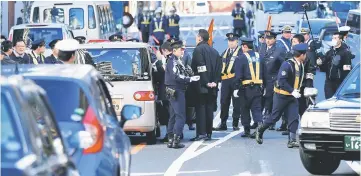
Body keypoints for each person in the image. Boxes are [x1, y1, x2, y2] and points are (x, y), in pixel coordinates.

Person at [253, 43, 308, 148]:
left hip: (292, 97)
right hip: (281, 96)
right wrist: (292, 91)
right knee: (274, 117)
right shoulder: (287, 65)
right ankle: (260, 129)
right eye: (305, 54)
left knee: (294, 117)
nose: (306, 56)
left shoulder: (300, 64)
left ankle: (291, 140)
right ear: (301, 55)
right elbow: (281, 81)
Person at [165, 40, 200, 148]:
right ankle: (176, 139)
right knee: (180, 116)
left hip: (173, 90)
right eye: (181, 49)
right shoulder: (173, 61)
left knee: (173, 116)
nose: (183, 51)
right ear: (174, 50)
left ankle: (171, 139)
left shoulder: (176, 60)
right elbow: (176, 76)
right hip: (177, 90)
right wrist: (190, 79)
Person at [190, 29, 222, 141]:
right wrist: (215, 82)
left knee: (200, 110)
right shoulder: (215, 51)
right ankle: (209, 133)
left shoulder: (198, 50)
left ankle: (201, 133)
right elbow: (219, 69)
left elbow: (200, 66)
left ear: (200, 38)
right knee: (209, 110)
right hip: (213, 86)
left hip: (201, 86)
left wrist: (206, 82)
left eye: (196, 36)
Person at [234, 37, 266, 137]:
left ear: (245, 46)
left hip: (245, 89)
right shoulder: (260, 57)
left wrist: (236, 88)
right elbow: (265, 73)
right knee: (256, 109)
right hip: (258, 88)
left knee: (245, 109)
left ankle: (247, 130)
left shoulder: (241, 58)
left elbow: (238, 75)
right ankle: (259, 129)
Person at [256, 30, 285, 130]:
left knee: (270, 100)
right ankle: (260, 120)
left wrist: (279, 79)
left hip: (273, 78)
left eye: (270, 39)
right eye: (266, 39)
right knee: (260, 99)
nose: (267, 41)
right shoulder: (262, 48)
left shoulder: (279, 50)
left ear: (275, 39)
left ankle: (270, 120)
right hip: (261, 78)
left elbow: (283, 66)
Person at [213, 33, 242, 131]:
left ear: (237, 41)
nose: (230, 43)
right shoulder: (225, 52)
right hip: (225, 80)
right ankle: (223, 123)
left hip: (235, 80)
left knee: (236, 102)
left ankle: (235, 123)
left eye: (232, 41)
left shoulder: (240, 52)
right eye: (229, 41)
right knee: (224, 102)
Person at [317, 32, 353, 99]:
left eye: (335, 38)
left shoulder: (345, 53)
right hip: (329, 82)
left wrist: (344, 84)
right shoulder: (330, 52)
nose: (333, 40)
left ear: (340, 40)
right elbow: (324, 67)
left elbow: (347, 70)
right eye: (333, 38)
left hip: (339, 83)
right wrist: (320, 63)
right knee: (329, 100)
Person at [298, 31, 317, 116]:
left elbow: (311, 69)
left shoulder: (308, 51)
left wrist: (309, 84)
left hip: (305, 82)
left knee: (307, 103)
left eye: (305, 34)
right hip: (296, 83)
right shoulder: (293, 53)